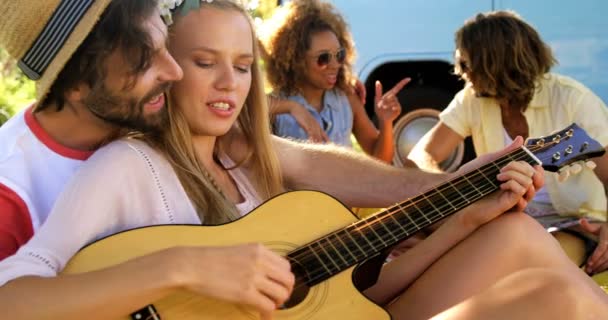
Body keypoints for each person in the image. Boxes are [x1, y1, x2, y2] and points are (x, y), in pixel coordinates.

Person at [1, 2, 607, 320]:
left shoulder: (246, 164)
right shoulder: (127, 165)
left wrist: (463, 212)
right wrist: (183, 266)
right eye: (199, 61)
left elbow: (346, 297)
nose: (227, 85)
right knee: (566, 302)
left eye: (243, 67)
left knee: (522, 239)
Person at [408, 10, 608, 275]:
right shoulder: (471, 99)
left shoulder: (573, 100)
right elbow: (421, 155)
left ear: (494, 64)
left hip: (573, 224)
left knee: (536, 270)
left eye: (465, 64)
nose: (459, 72)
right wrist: (446, 188)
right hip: (503, 220)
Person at [0, 0, 183, 260]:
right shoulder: (10, 202)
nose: (176, 72)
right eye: (143, 63)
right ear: (75, 85)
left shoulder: (147, 118)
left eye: (165, 45)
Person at [259, 0, 409, 163]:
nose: (335, 65)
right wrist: (291, 107)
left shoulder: (346, 98)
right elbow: (247, 108)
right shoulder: (277, 107)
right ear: (296, 61)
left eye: (339, 55)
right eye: (323, 58)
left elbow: (380, 157)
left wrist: (386, 122)